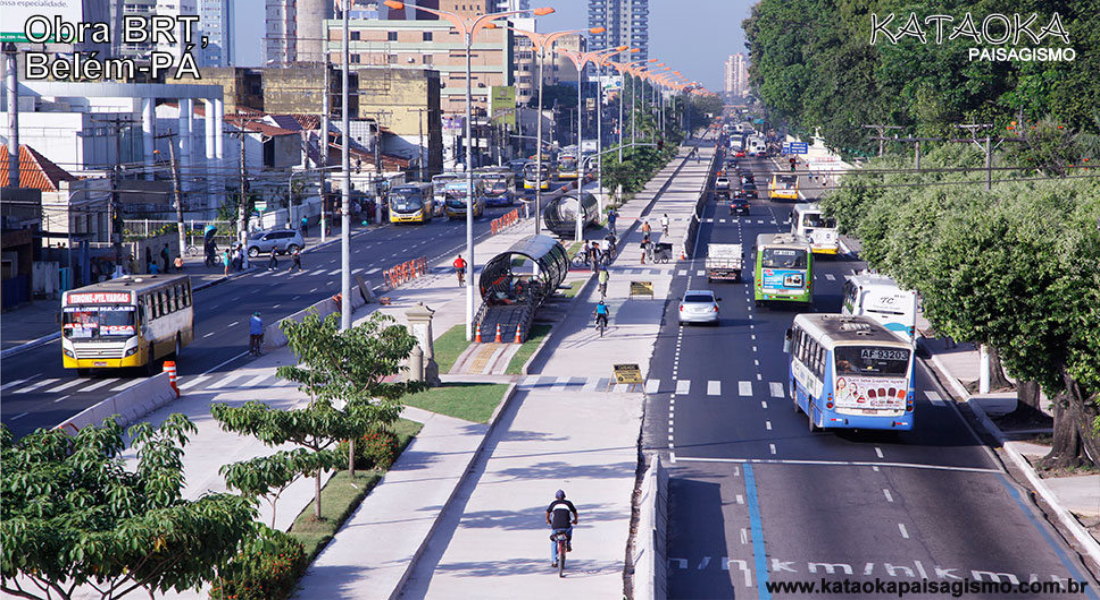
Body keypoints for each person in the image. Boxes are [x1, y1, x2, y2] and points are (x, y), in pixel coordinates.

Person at [546, 490, 578, 568]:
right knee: (570, 528)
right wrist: (575, 520)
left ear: (556, 497)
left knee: (554, 541)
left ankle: (554, 561)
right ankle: (568, 543)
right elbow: (575, 512)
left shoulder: (553, 503)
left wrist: (548, 520)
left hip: (555, 526)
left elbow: (548, 512)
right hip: (566, 525)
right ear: (564, 497)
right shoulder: (568, 503)